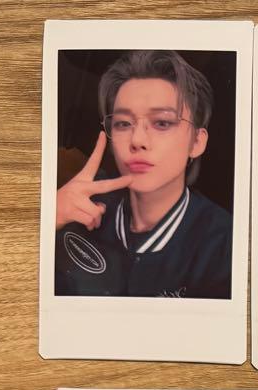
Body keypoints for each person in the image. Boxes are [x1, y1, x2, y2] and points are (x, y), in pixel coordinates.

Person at [55, 50, 232, 299]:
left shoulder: (225, 244)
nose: (137, 140)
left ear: (197, 142)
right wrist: (50, 218)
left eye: (162, 123)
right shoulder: (78, 207)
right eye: (123, 123)